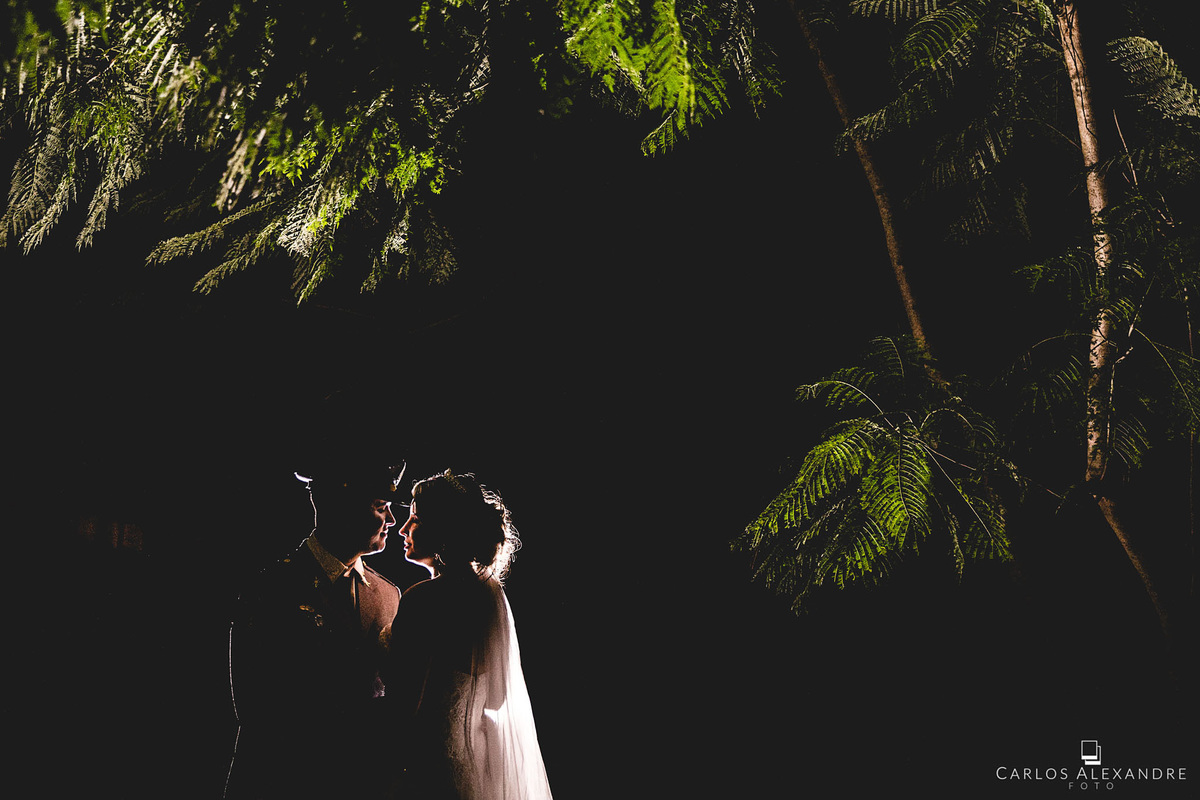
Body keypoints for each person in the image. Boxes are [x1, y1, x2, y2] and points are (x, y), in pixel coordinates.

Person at [224, 460, 406, 799]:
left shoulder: (388, 595)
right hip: (284, 782)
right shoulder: (271, 587)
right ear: (343, 507)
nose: (393, 521)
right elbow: (256, 708)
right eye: (382, 507)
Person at [386, 470, 553, 800]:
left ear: (442, 528)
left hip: (424, 774)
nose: (403, 529)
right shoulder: (490, 596)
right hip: (472, 768)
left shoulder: (422, 600)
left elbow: (401, 707)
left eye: (415, 519)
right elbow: (497, 698)